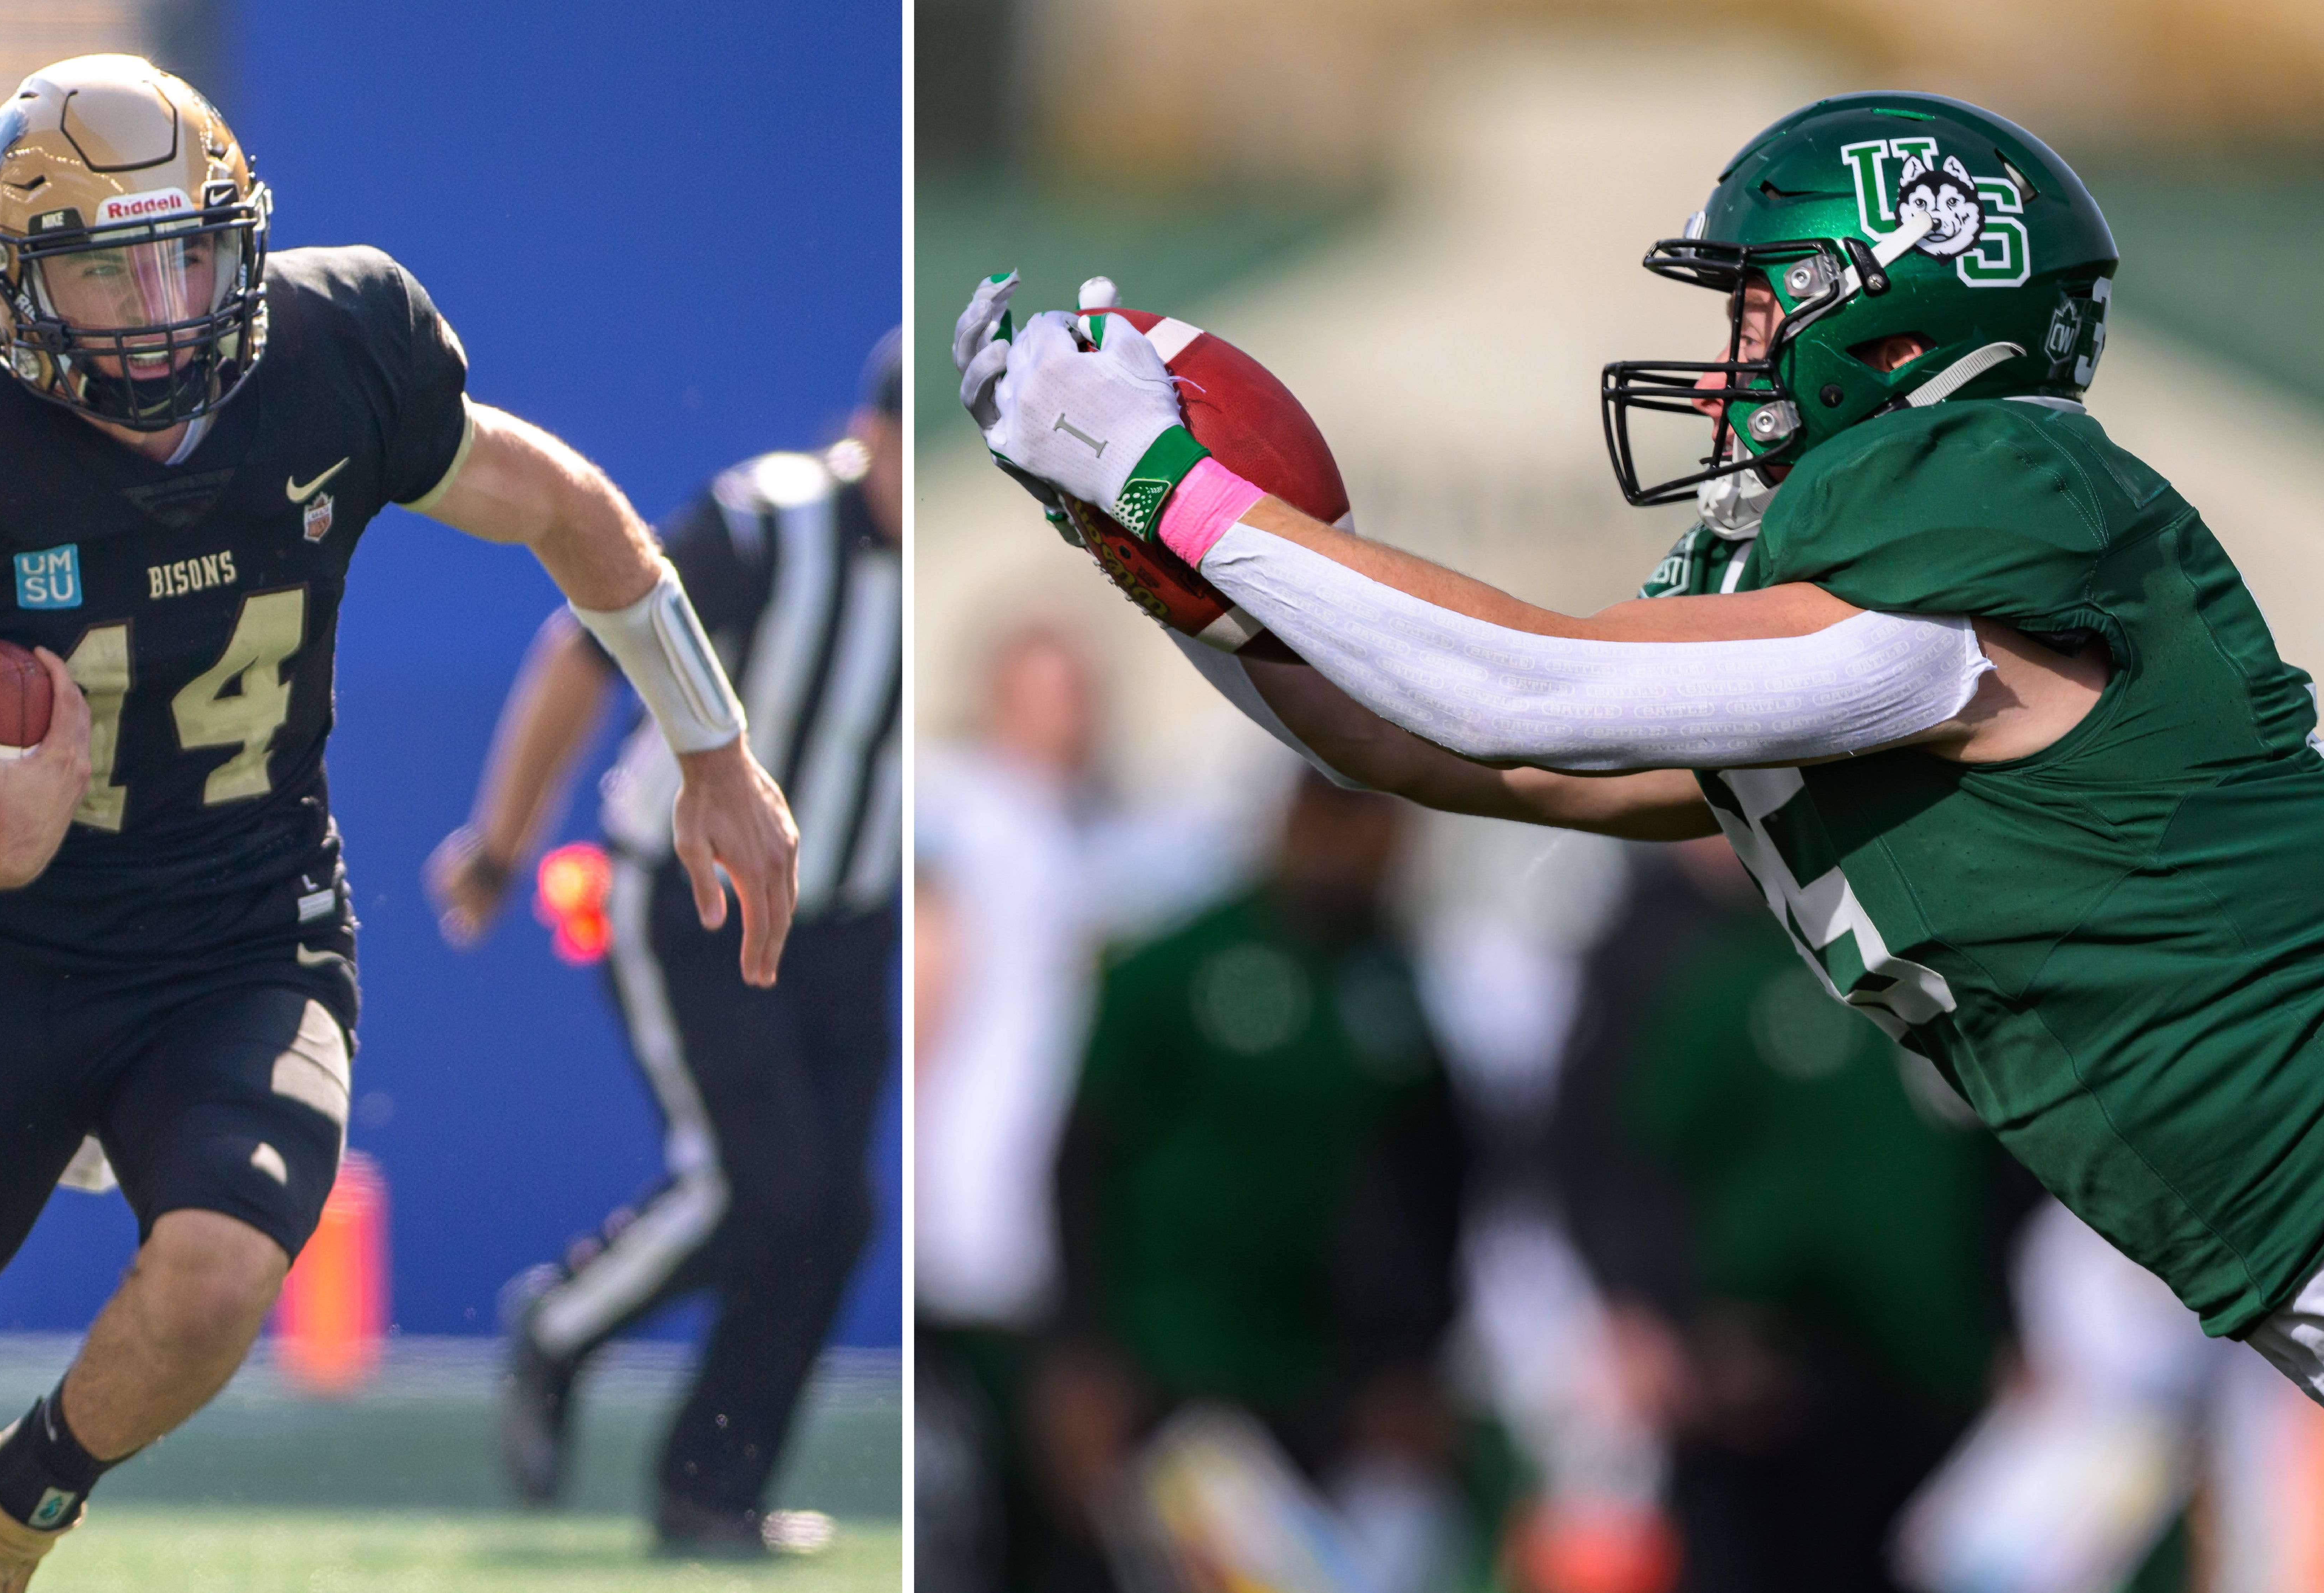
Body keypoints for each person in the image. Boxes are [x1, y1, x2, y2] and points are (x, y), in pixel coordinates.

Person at [957, 88, 2324, 1402]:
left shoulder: (1997, 487)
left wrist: (1163, 480)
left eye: (1755, 308)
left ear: (1900, 335)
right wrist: (1137, 544)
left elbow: (1523, 692)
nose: (1728, 359)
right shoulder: (1858, 616)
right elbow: (1424, 740)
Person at [0, 55, 797, 1593]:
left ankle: (14, 1510)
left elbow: (563, 508)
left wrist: (712, 746)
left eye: (186, 253)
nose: (162, 306)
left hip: (242, 939)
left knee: (214, 1277)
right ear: (12, 291)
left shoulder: (338, 347)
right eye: (109, 275)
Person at [425, 331, 898, 1554]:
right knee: (763, 1181)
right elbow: (584, 654)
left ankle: (712, 1491)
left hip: (854, 918)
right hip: (696, 900)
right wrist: (500, 843)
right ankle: (564, 1326)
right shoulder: (764, 528)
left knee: (834, 1213)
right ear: (876, 439)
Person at [1036, 772, 1466, 1593]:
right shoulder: (1175, 967)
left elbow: (1437, 1181)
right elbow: (1082, 1163)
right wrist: (1081, 1352)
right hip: (1174, 1371)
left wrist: (1418, 1360)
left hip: (1332, 1383)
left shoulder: (1392, 983)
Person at [1558, 835, 2021, 1593]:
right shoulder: (1696, 965)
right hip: (1766, 1389)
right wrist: (1674, 1315)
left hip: (1930, 1379)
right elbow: (1622, 1158)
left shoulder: (1928, 953)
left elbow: (1998, 1165)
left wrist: (2011, 1322)